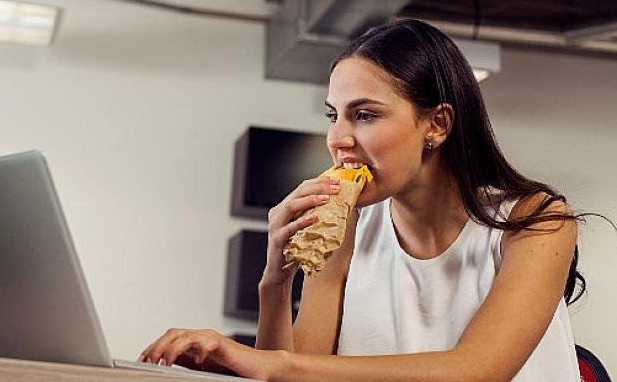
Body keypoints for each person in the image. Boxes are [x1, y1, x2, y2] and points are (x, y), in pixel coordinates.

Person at [138, 19, 594, 381]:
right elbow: (297, 372)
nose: (338, 139)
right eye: (333, 115)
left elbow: (473, 371)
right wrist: (275, 280)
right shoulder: (347, 226)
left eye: (365, 115)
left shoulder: (540, 221)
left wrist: (262, 362)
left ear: (437, 124)